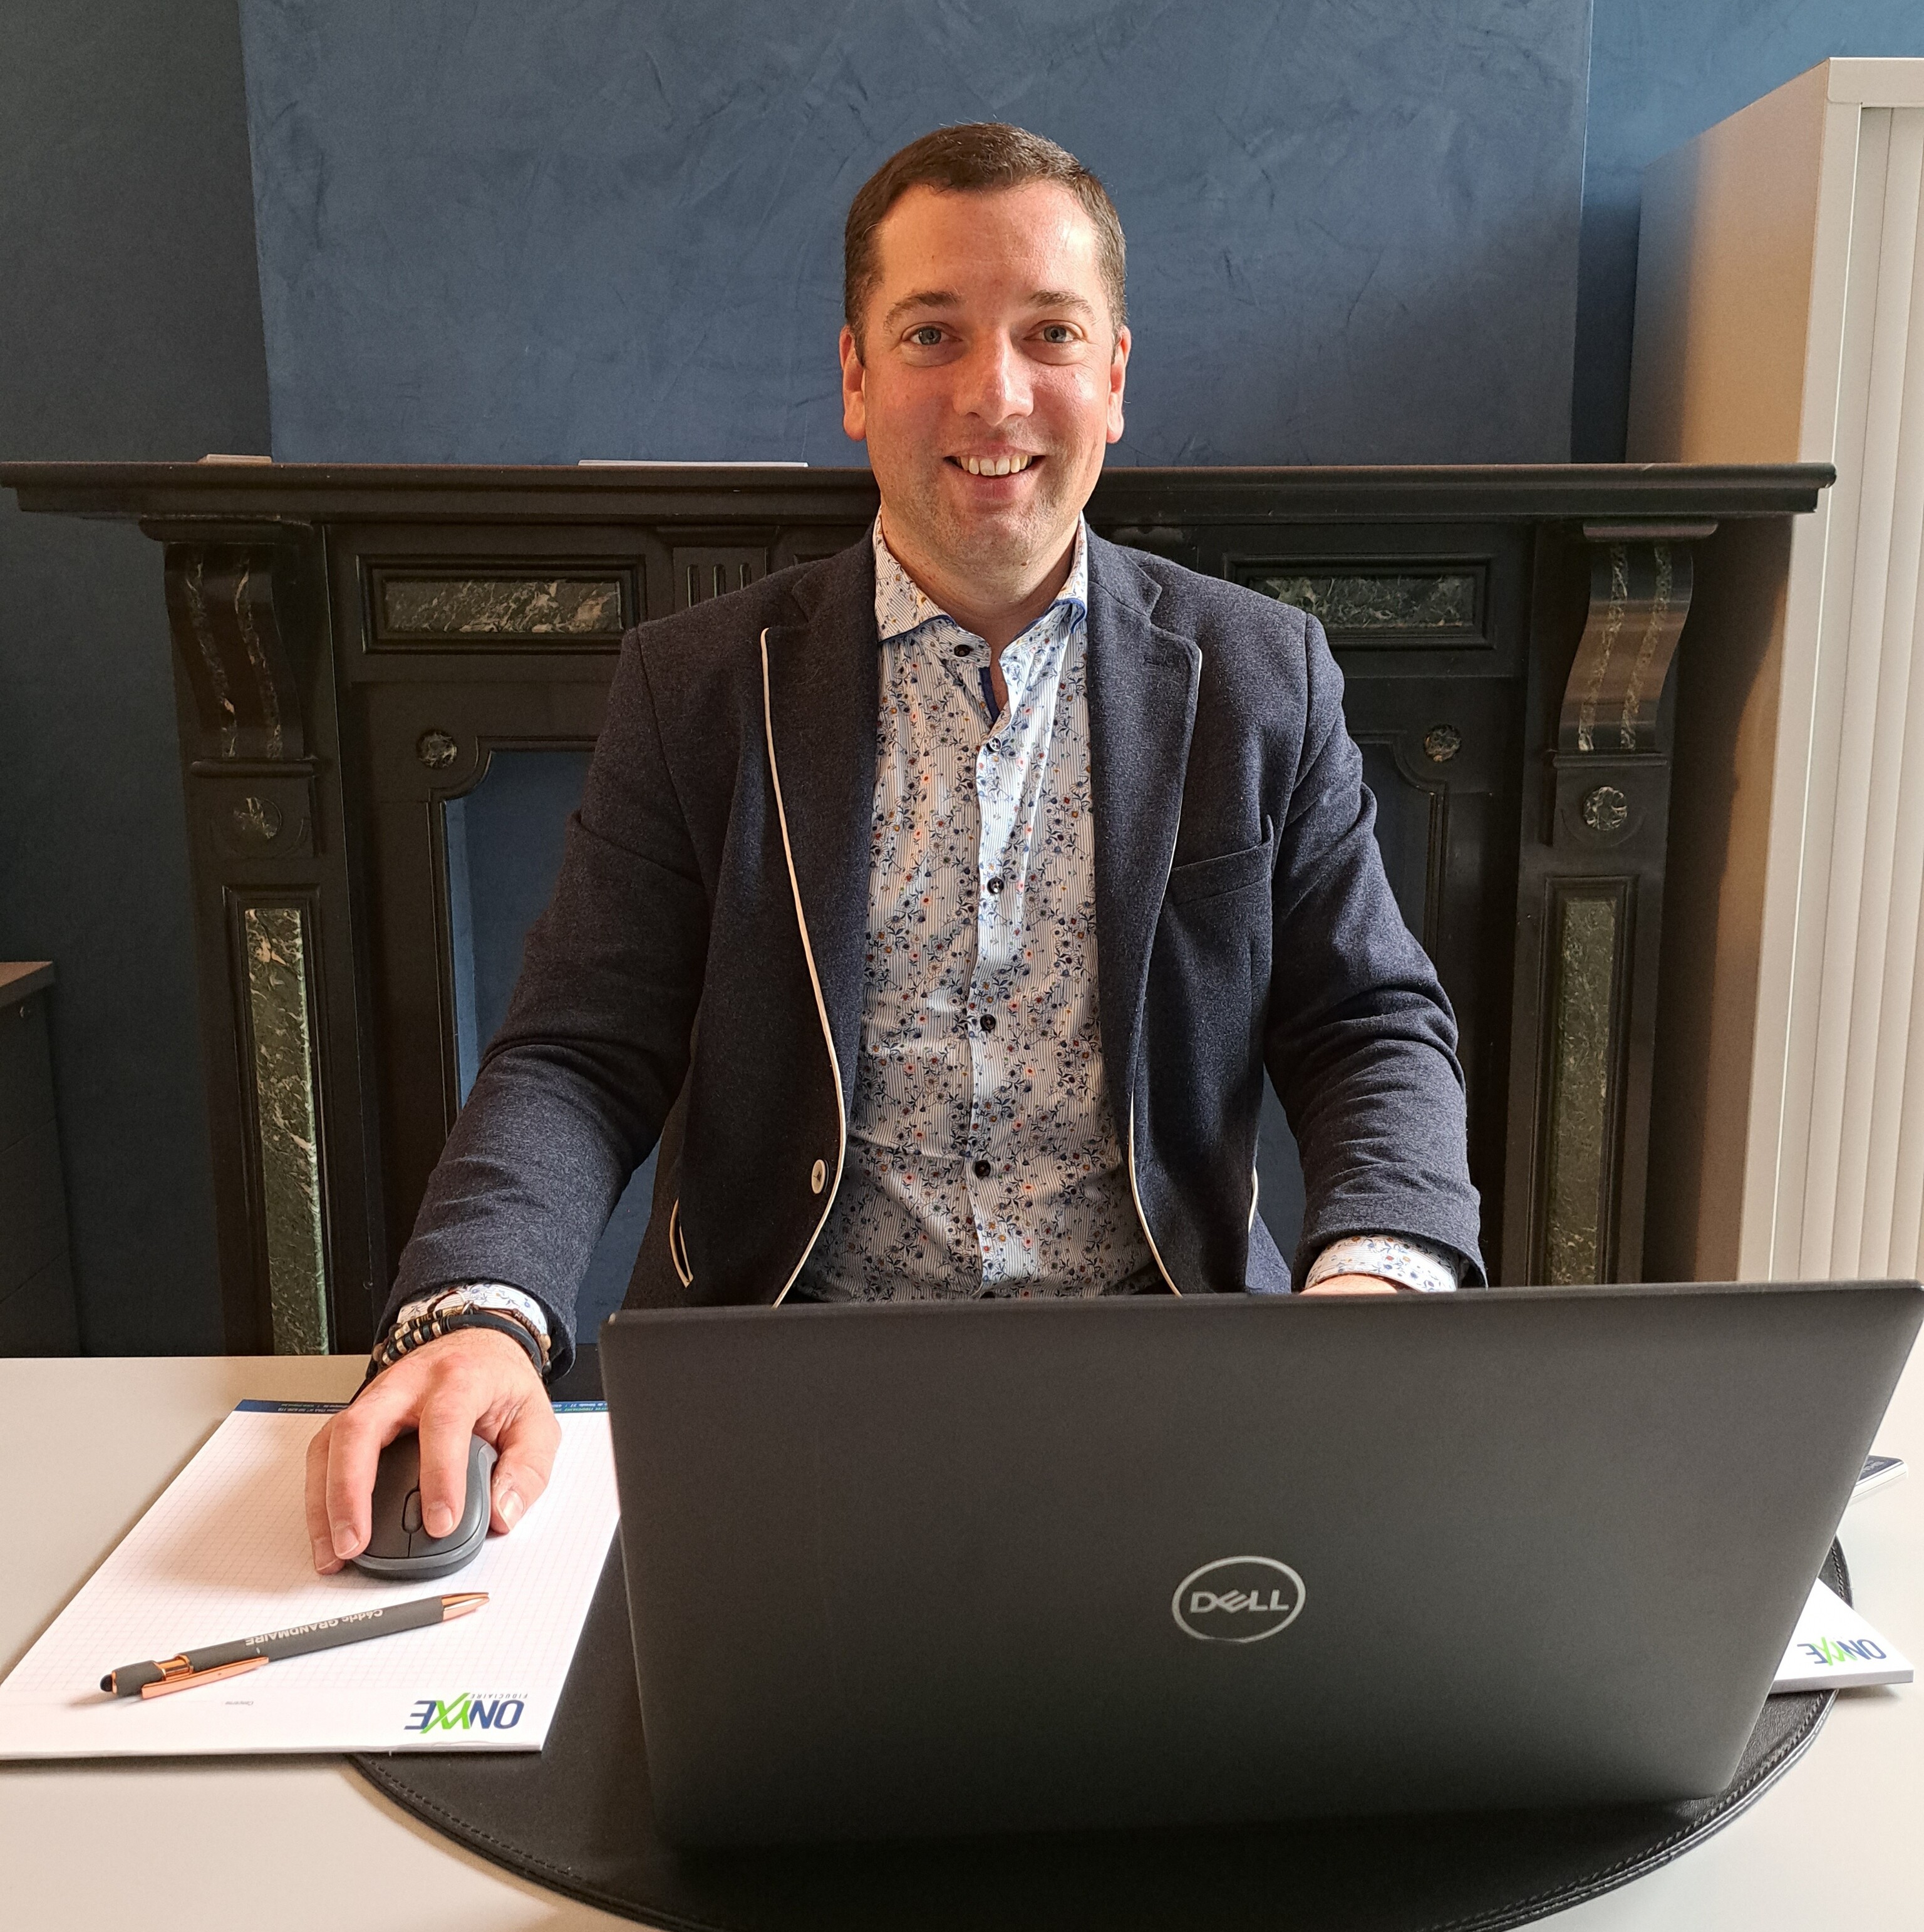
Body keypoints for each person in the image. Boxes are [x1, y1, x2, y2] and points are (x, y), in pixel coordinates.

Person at [306, 122, 1482, 1578]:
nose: (996, 392)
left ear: (1115, 375)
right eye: (933, 332)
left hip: (1174, 1393)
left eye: (1050, 332)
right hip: (784, 1398)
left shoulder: (1261, 674)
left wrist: (1377, 1282)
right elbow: (578, 1048)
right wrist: (478, 1309)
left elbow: (1369, 1022)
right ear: (857, 376)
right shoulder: (695, 686)